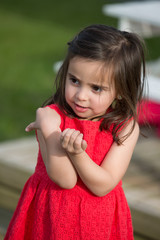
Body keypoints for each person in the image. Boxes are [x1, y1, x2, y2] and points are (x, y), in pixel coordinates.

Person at [4, 24, 146, 240]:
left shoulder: (125, 126)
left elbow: (103, 185)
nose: (81, 95)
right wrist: (50, 130)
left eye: (96, 88)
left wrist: (78, 153)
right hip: (52, 215)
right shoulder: (51, 118)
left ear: (121, 90)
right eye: (74, 81)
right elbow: (65, 180)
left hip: (98, 220)